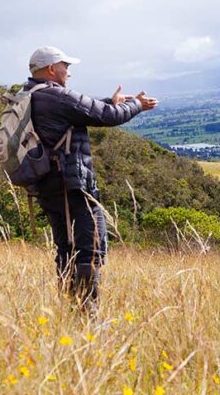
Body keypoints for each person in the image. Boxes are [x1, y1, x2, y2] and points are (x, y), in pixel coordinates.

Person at [24, 46, 157, 316]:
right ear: (51, 69)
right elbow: (106, 116)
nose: (69, 73)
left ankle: (69, 308)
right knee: (90, 248)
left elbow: (83, 111)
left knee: (66, 248)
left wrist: (111, 100)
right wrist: (136, 106)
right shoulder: (55, 95)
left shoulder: (28, 95)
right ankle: (87, 316)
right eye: (66, 67)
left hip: (46, 185)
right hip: (71, 185)